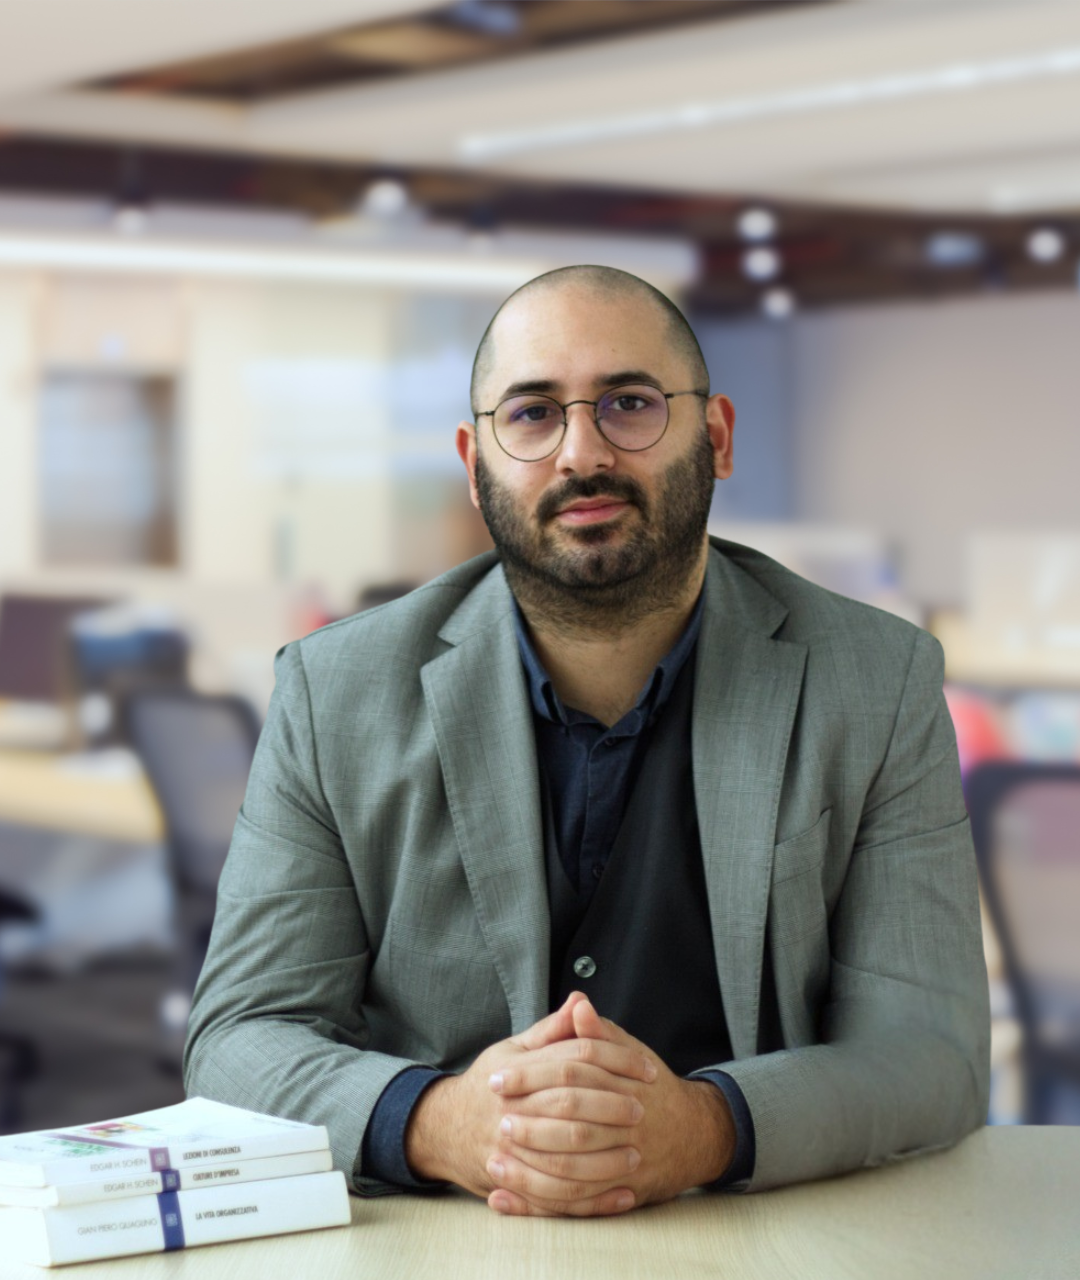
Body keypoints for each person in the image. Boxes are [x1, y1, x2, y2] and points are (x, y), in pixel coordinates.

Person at [185, 265, 990, 1218]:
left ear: (717, 437)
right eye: (532, 414)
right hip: (444, 1238)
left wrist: (705, 1127)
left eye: (630, 403)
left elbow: (930, 1053)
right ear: (474, 465)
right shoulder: (337, 693)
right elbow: (238, 1039)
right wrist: (444, 1123)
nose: (582, 452)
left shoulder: (877, 680)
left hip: (758, 1232)